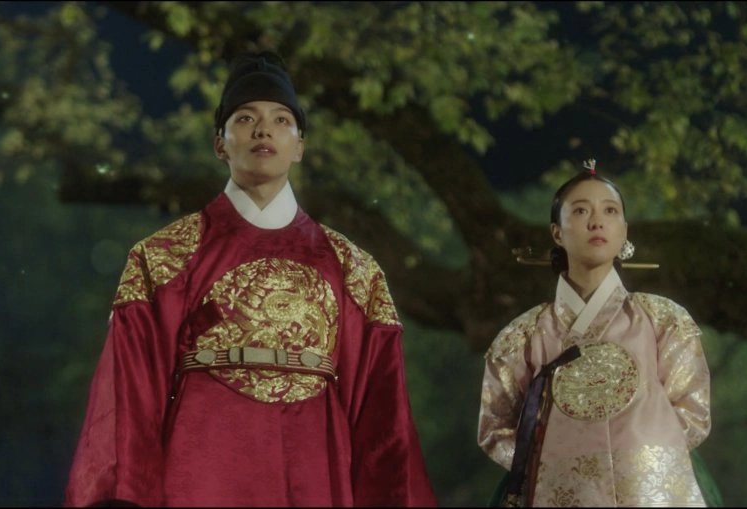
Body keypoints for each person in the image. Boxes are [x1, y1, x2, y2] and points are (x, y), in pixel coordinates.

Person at [64, 50, 438, 507]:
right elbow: (130, 402)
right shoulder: (164, 258)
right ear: (220, 143)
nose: (264, 130)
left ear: (299, 146)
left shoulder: (355, 270)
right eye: (245, 119)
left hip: (315, 474)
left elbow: (384, 424)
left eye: (282, 120)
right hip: (201, 477)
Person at [477, 160, 711, 507]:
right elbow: (495, 427)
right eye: (581, 211)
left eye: (610, 211)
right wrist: (549, 465)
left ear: (624, 230)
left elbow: (693, 412)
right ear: (557, 232)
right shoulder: (522, 336)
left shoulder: (663, 320)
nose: (597, 221)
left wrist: (643, 457)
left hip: (650, 491)